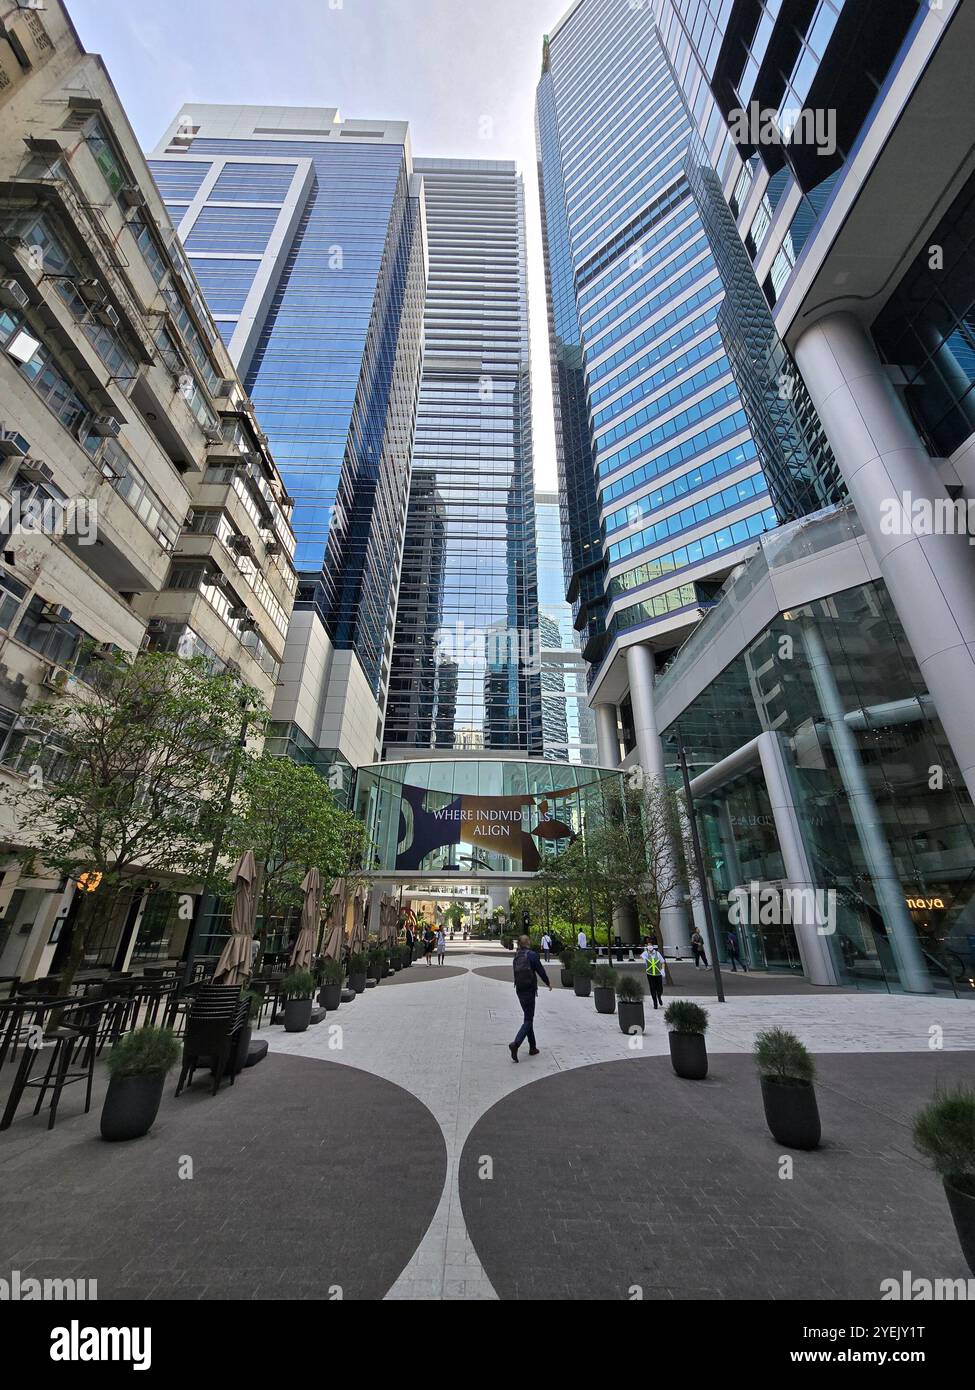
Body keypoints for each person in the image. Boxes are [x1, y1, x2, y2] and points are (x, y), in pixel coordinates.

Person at [509, 934, 551, 1062]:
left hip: (519, 989)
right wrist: (548, 982)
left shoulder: (516, 956)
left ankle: (533, 1047)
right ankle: (516, 1043)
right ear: (527, 942)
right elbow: (540, 970)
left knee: (528, 1017)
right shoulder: (532, 955)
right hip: (529, 990)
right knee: (528, 1019)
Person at [642, 939, 666, 1009]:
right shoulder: (646, 953)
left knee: (659, 988)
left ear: (653, 946)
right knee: (652, 988)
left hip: (658, 974)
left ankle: (659, 997)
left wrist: (663, 970)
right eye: (648, 945)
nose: (649, 946)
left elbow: (662, 962)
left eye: (650, 945)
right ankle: (655, 1003)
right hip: (650, 974)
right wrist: (643, 957)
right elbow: (641, 957)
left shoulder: (657, 953)